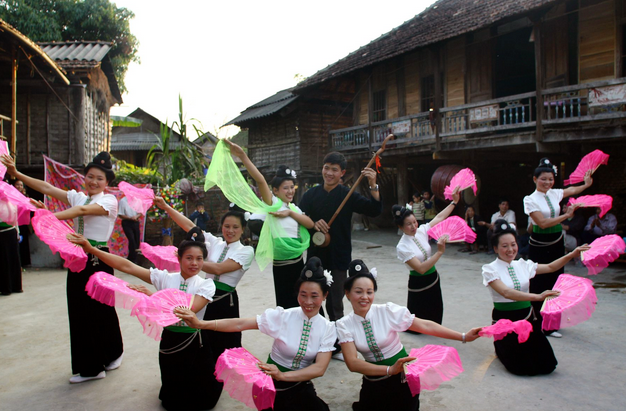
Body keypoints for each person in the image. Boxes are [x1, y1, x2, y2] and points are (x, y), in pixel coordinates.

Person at [1, 151, 123, 382]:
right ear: (84, 177)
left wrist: (47, 216)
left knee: (101, 310)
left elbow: (82, 212)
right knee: (80, 311)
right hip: (78, 257)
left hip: (98, 258)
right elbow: (47, 188)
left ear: (107, 183)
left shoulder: (108, 200)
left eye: (99, 178)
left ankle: (103, 361)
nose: (93, 181)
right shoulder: (80, 197)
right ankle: (99, 361)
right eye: (90, 176)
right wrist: (17, 173)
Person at [70, 229, 219, 410]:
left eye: (199, 258)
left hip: (195, 341)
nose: (194, 263)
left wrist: (151, 296)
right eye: (189, 258)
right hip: (170, 339)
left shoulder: (206, 285)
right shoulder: (165, 278)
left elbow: (189, 310)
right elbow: (128, 267)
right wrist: (92, 250)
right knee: (172, 398)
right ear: (178, 259)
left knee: (202, 398)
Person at [176, 257, 336, 411]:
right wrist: (201, 324)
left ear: (325, 295)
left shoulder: (327, 328)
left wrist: (283, 376)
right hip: (270, 382)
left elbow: (319, 368)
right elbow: (240, 323)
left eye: (314, 296)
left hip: (300, 383)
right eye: (303, 294)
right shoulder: (283, 316)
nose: (308, 301)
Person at [337, 259, 481, 411]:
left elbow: (425, 325)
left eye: (369, 292)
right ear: (347, 293)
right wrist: (389, 370)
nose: (365, 297)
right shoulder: (344, 324)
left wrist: (464, 336)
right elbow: (352, 363)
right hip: (373, 379)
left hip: (402, 376)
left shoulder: (387, 311)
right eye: (358, 291)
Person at [154, 198, 254, 401]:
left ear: (243, 229)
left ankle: (220, 378)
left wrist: (189, 261)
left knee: (223, 339)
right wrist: (166, 207)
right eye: (227, 226)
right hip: (201, 295)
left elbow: (218, 269)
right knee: (201, 341)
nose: (230, 230)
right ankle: (199, 378)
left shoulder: (246, 251)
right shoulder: (214, 242)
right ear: (221, 227)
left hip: (224, 300)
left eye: (235, 227)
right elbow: (190, 226)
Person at [482, 220, 589, 375]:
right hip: (505, 320)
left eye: (513, 244)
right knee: (519, 368)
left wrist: (572, 254)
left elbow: (551, 267)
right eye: (504, 246)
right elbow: (506, 292)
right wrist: (538, 297)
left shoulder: (523, 265)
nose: (510, 249)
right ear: (495, 248)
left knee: (547, 365)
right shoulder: (489, 269)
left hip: (527, 318)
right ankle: (501, 345)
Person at [224, 140, 314, 308]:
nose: (290, 191)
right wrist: (243, 156)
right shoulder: (273, 203)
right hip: (281, 266)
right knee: (285, 306)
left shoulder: (294, 208)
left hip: (298, 263)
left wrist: (290, 213)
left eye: (292, 187)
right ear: (276, 191)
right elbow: (260, 180)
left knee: (303, 304)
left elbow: (309, 224)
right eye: (285, 188)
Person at [299, 151, 383, 324]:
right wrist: (313, 223)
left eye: (334, 170)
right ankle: (318, 331)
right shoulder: (310, 195)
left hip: (339, 256)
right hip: (315, 255)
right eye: (326, 168)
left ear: (342, 173)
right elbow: (299, 219)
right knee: (312, 298)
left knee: (335, 302)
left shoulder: (348, 194)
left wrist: (373, 184)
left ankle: (338, 341)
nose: (329, 173)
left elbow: (374, 210)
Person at [523, 158, 592, 338]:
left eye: (551, 179)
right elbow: (543, 223)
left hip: (556, 242)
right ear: (534, 179)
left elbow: (571, 190)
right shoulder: (530, 199)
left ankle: (552, 322)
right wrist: (566, 215)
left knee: (556, 281)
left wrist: (586, 184)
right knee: (539, 282)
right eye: (543, 179)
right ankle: (539, 321)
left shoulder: (555, 193)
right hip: (539, 244)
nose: (547, 182)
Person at [394, 187, 460, 327]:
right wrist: (439, 252)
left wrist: (453, 202)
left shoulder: (421, 231)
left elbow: (439, 217)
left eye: (414, 222)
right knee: (420, 323)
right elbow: (421, 269)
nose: (413, 226)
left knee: (435, 315)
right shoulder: (402, 247)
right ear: (400, 227)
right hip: (418, 283)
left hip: (433, 278)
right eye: (408, 224)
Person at [0, 186, 22, 295]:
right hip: (7, 232)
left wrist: (17, 232)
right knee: (6, 261)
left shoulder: (11, 202)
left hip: (9, 231)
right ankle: (9, 287)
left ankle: (13, 286)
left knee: (11, 260)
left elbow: (15, 218)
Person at [13, 179, 31, 266]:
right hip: (14, 221)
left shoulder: (25, 197)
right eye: (17, 184)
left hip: (23, 223)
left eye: (21, 185)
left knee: (24, 243)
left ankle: (24, 262)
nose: (19, 186)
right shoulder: (11, 195)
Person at [117, 196, 141, 263]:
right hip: (127, 222)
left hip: (135, 221)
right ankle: (132, 259)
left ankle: (133, 258)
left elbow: (140, 212)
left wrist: (136, 216)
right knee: (131, 239)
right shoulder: (123, 201)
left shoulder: (137, 200)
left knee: (137, 240)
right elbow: (120, 214)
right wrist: (129, 218)